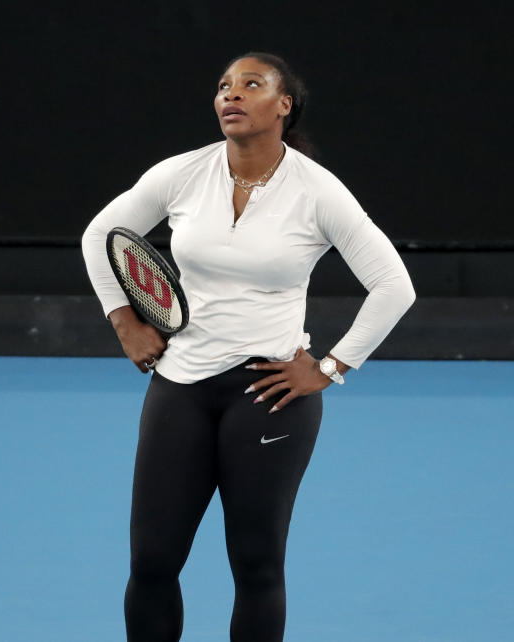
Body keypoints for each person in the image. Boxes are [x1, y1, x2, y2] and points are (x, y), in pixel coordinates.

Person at [81, 52, 415, 641]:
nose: (230, 95)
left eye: (250, 85)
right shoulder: (182, 173)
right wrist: (124, 321)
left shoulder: (318, 191)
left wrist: (332, 366)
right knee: (152, 562)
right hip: (179, 387)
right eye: (223, 87)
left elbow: (394, 286)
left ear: (283, 105)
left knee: (257, 567)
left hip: (268, 393)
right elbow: (99, 235)